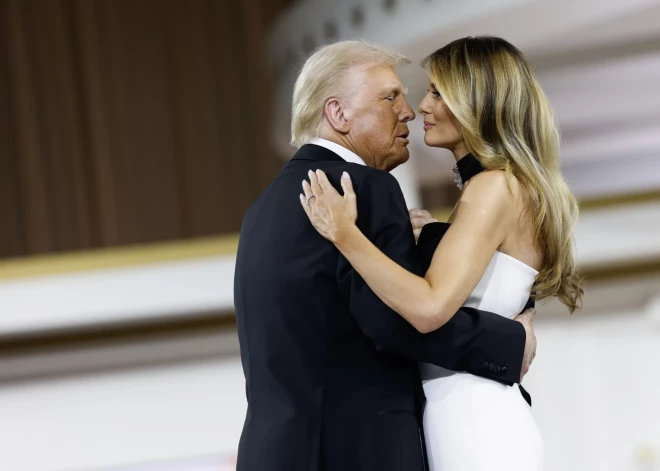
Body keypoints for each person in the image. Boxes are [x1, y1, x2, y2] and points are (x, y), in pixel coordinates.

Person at [234, 40, 536, 471]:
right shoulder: (363, 188)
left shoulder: (263, 207)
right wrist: (510, 341)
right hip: (357, 453)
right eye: (390, 97)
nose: (409, 110)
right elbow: (398, 323)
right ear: (339, 114)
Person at [300, 37, 584, 470]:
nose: (420, 107)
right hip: (463, 414)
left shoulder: (493, 187)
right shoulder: (497, 188)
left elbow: (430, 308)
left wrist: (344, 234)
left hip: (477, 424)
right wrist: (435, 233)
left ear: (477, 102)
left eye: (437, 92)